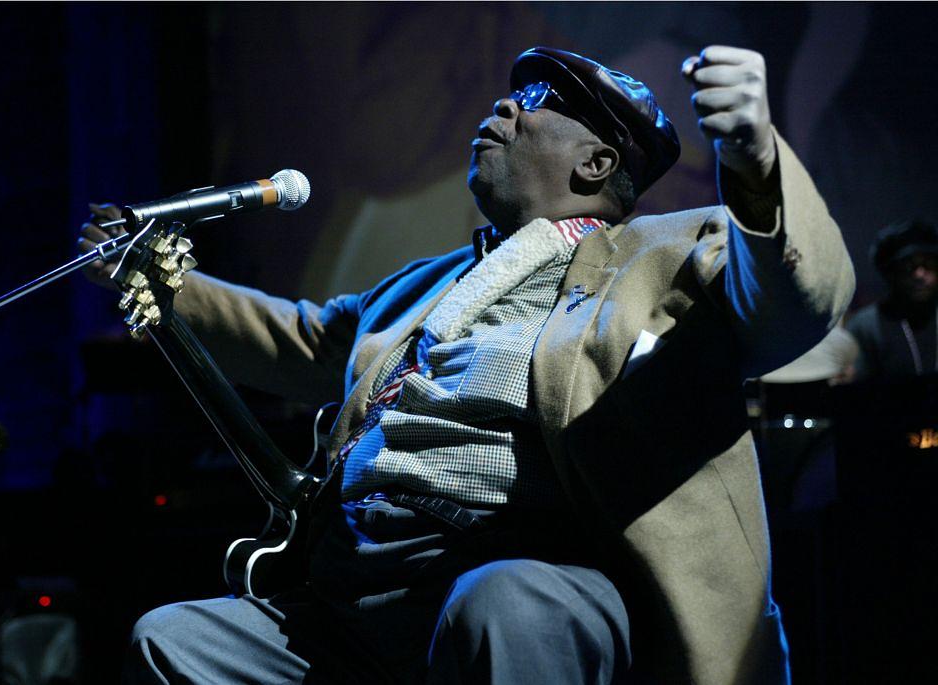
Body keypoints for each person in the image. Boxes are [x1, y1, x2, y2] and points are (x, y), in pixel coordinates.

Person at [80, 45, 854, 684]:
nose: (504, 106)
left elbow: (800, 297)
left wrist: (754, 159)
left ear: (596, 162)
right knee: (173, 642)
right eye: (509, 94)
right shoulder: (429, 283)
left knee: (503, 602)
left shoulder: (666, 254)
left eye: (536, 99)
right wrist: (160, 278)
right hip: (356, 593)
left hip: (536, 571)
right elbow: (306, 342)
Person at [846, 219, 938, 380]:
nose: (919, 275)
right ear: (890, 273)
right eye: (908, 266)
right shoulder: (865, 327)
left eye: (928, 264)